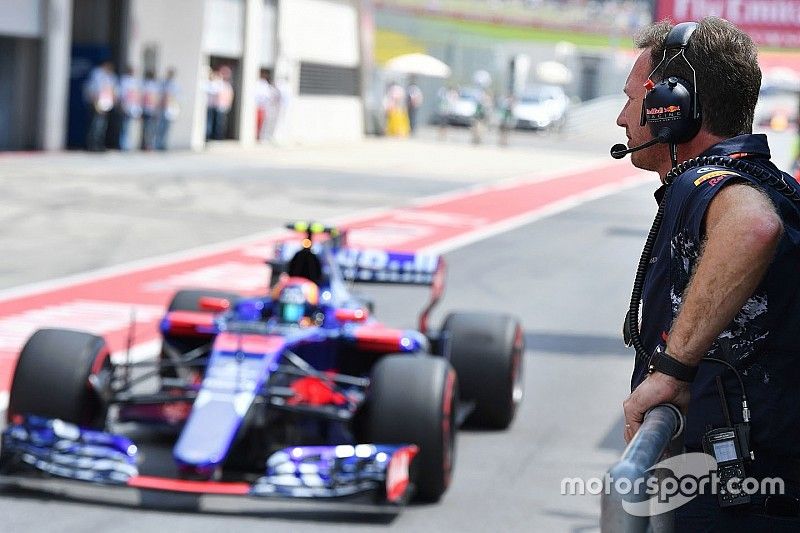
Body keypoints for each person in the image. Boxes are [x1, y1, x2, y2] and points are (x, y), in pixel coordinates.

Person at [618, 18, 800, 529]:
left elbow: (752, 228)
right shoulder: (773, 183)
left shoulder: (705, 182)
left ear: (670, 107)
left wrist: (671, 371)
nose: (620, 118)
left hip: (732, 497)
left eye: (632, 99)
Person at [84, 60, 117, 151]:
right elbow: (93, 89)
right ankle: (92, 145)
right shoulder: (97, 74)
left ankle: (99, 144)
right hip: (97, 104)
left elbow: (113, 90)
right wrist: (95, 103)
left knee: (102, 126)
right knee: (96, 125)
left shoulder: (110, 76)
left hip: (106, 105)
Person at [116, 66, 142, 151]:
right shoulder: (124, 81)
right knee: (124, 127)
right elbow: (120, 94)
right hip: (125, 107)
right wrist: (121, 105)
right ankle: (123, 145)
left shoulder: (135, 82)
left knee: (129, 127)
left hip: (133, 108)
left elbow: (137, 96)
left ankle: (128, 144)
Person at [156, 67, 180, 151]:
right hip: (162, 108)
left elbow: (175, 97)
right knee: (160, 127)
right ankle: (158, 144)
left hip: (170, 109)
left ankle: (163, 144)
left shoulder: (175, 85)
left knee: (166, 128)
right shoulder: (163, 83)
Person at [140, 70, 161, 150]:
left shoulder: (153, 85)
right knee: (148, 129)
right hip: (148, 110)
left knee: (149, 129)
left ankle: (148, 145)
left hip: (151, 110)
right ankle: (146, 145)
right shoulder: (147, 85)